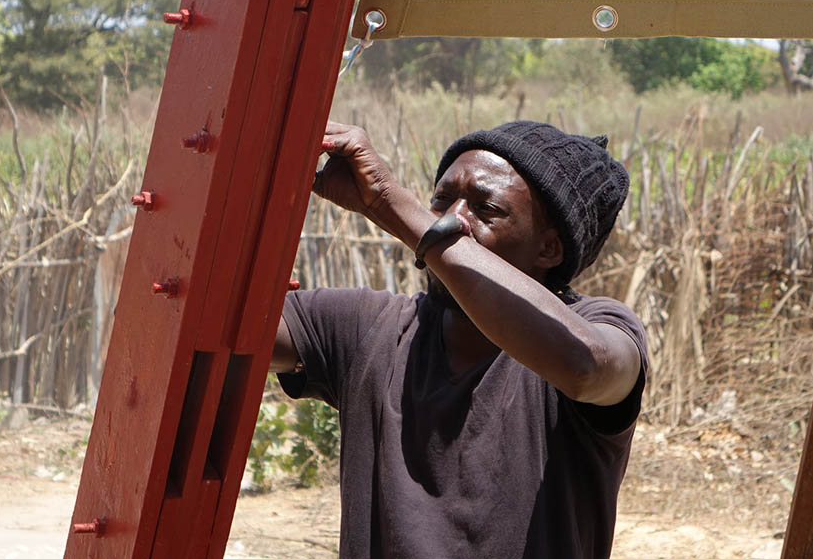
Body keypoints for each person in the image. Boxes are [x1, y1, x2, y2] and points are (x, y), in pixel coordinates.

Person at [270, 119, 648, 559]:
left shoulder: (597, 327)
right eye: (441, 201)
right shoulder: (370, 328)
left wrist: (389, 203)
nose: (452, 220)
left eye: (485, 209)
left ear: (548, 249)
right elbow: (226, 326)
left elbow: (586, 367)